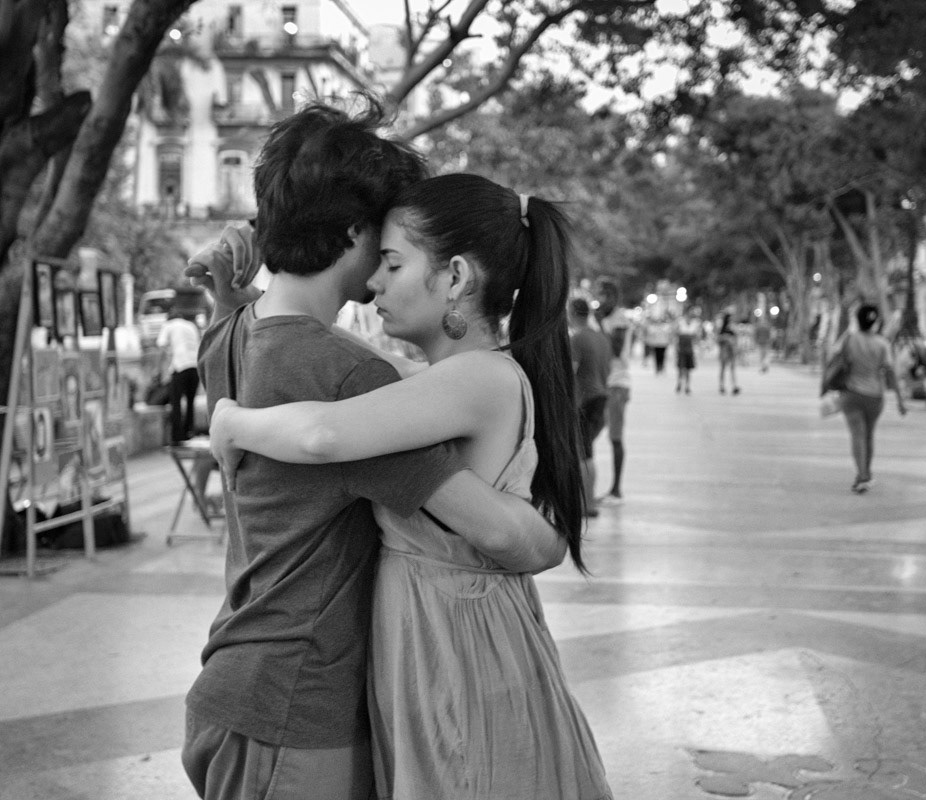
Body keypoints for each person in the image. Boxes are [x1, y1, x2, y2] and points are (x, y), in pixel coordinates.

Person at [179, 105, 565, 800]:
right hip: (300, 703)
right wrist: (551, 535)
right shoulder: (352, 378)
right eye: (383, 250)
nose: (384, 275)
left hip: (235, 681)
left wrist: (234, 279)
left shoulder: (229, 335)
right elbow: (504, 532)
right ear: (355, 232)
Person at [837, 305, 907, 493]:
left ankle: (861, 475)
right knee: (868, 435)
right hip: (874, 395)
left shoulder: (849, 340)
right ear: (875, 322)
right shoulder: (882, 343)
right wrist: (900, 399)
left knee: (857, 435)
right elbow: (890, 373)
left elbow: (836, 361)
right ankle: (866, 472)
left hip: (850, 393)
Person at [569, 296, 612, 518]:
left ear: (573, 313)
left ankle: (588, 502)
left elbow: (570, 372)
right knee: (584, 451)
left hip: (585, 401)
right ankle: (586, 498)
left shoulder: (578, 339)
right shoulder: (601, 338)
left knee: (584, 454)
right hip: (601, 398)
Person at [595, 278, 631, 505]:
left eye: (603, 295)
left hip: (617, 383)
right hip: (602, 383)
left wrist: (599, 325)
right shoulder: (604, 318)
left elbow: (616, 350)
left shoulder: (619, 319)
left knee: (615, 438)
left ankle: (616, 490)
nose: (599, 300)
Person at [156, 308, 201, 443]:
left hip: (180, 365)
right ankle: (189, 433)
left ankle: (177, 437)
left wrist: (159, 369)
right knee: (190, 402)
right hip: (195, 366)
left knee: (175, 402)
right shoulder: (191, 326)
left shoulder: (169, 325)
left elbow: (162, 346)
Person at [673, 306, 702, 394]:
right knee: (681, 366)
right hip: (682, 344)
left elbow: (698, 336)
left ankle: (687, 385)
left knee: (688, 367)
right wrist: (676, 345)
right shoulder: (680, 321)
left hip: (690, 345)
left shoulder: (696, 322)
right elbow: (675, 333)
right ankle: (679, 383)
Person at [716, 311, 741, 395]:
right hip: (724, 350)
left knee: (732, 368)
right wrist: (726, 338)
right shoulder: (722, 328)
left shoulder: (734, 327)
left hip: (732, 350)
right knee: (723, 368)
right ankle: (721, 385)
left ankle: (734, 385)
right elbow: (718, 339)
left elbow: (736, 339)